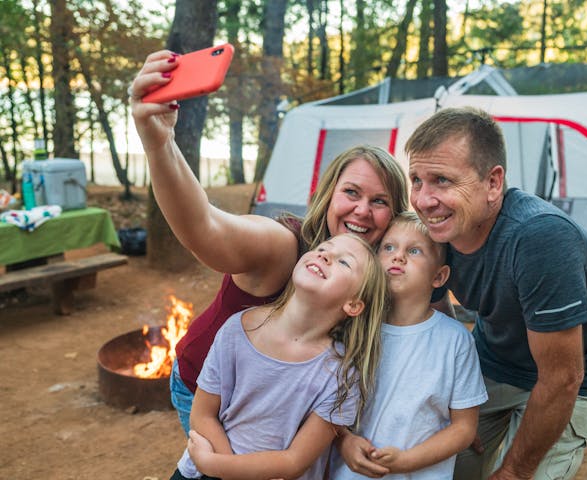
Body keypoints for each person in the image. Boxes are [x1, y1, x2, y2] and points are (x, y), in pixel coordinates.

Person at [128, 49, 408, 434]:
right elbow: (205, 229)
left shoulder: (378, 272)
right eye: (352, 193)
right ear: (328, 195)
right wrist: (159, 144)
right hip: (211, 395)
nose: (362, 210)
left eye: (380, 201)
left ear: (394, 215)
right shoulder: (287, 247)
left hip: (284, 402)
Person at [405, 107, 587, 480]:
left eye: (442, 180)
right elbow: (438, 316)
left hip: (567, 377)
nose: (423, 200)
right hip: (493, 357)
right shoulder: (437, 229)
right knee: (446, 467)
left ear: (493, 183)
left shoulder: (540, 238)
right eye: (416, 180)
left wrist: (515, 471)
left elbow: (561, 378)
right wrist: (454, 397)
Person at [170, 233, 389, 480]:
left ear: (354, 305)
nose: (325, 255)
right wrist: (221, 467)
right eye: (323, 248)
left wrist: (217, 466)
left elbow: (294, 461)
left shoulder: (341, 373)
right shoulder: (237, 329)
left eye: (344, 262)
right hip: (206, 469)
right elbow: (202, 415)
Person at [332, 211, 488, 480]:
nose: (398, 256)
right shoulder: (354, 328)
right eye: (388, 247)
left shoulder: (454, 340)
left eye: (414, 251)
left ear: (439, 277)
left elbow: (464, 428)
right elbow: (326, 405)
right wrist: (343, 440)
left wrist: (405, 461)